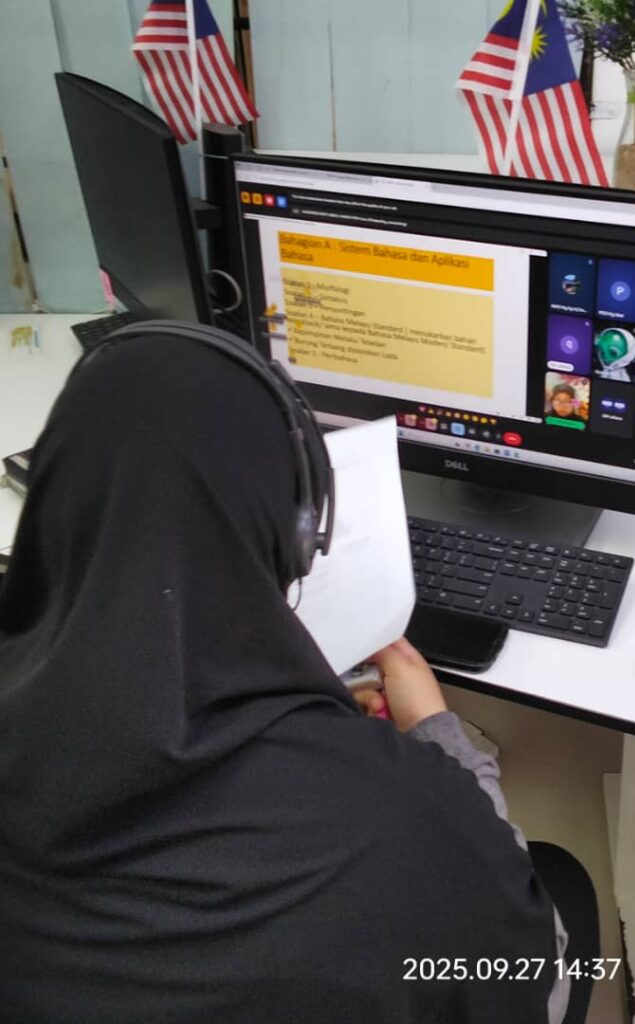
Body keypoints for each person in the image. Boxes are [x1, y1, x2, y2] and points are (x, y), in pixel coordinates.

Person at [0, 329, 597, 1023]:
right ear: (298, 541)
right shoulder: (405, 821)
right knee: (564, 883)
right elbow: (533, 975)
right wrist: (441, 735)